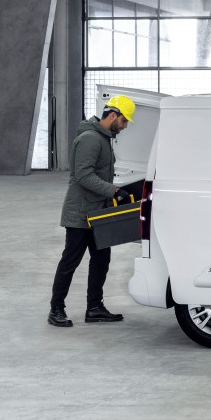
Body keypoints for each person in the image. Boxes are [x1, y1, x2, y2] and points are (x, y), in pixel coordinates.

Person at [48, 95, 135, 328]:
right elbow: (84, 175)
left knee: (101, 260)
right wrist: (113, 191)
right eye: (124, 121)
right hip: (80, 213)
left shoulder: (103, 138)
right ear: (113, 116)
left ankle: (94, 307)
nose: (125, 126)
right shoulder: (90, 138)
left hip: (98, 213)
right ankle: (56, 309)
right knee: (70, 261)